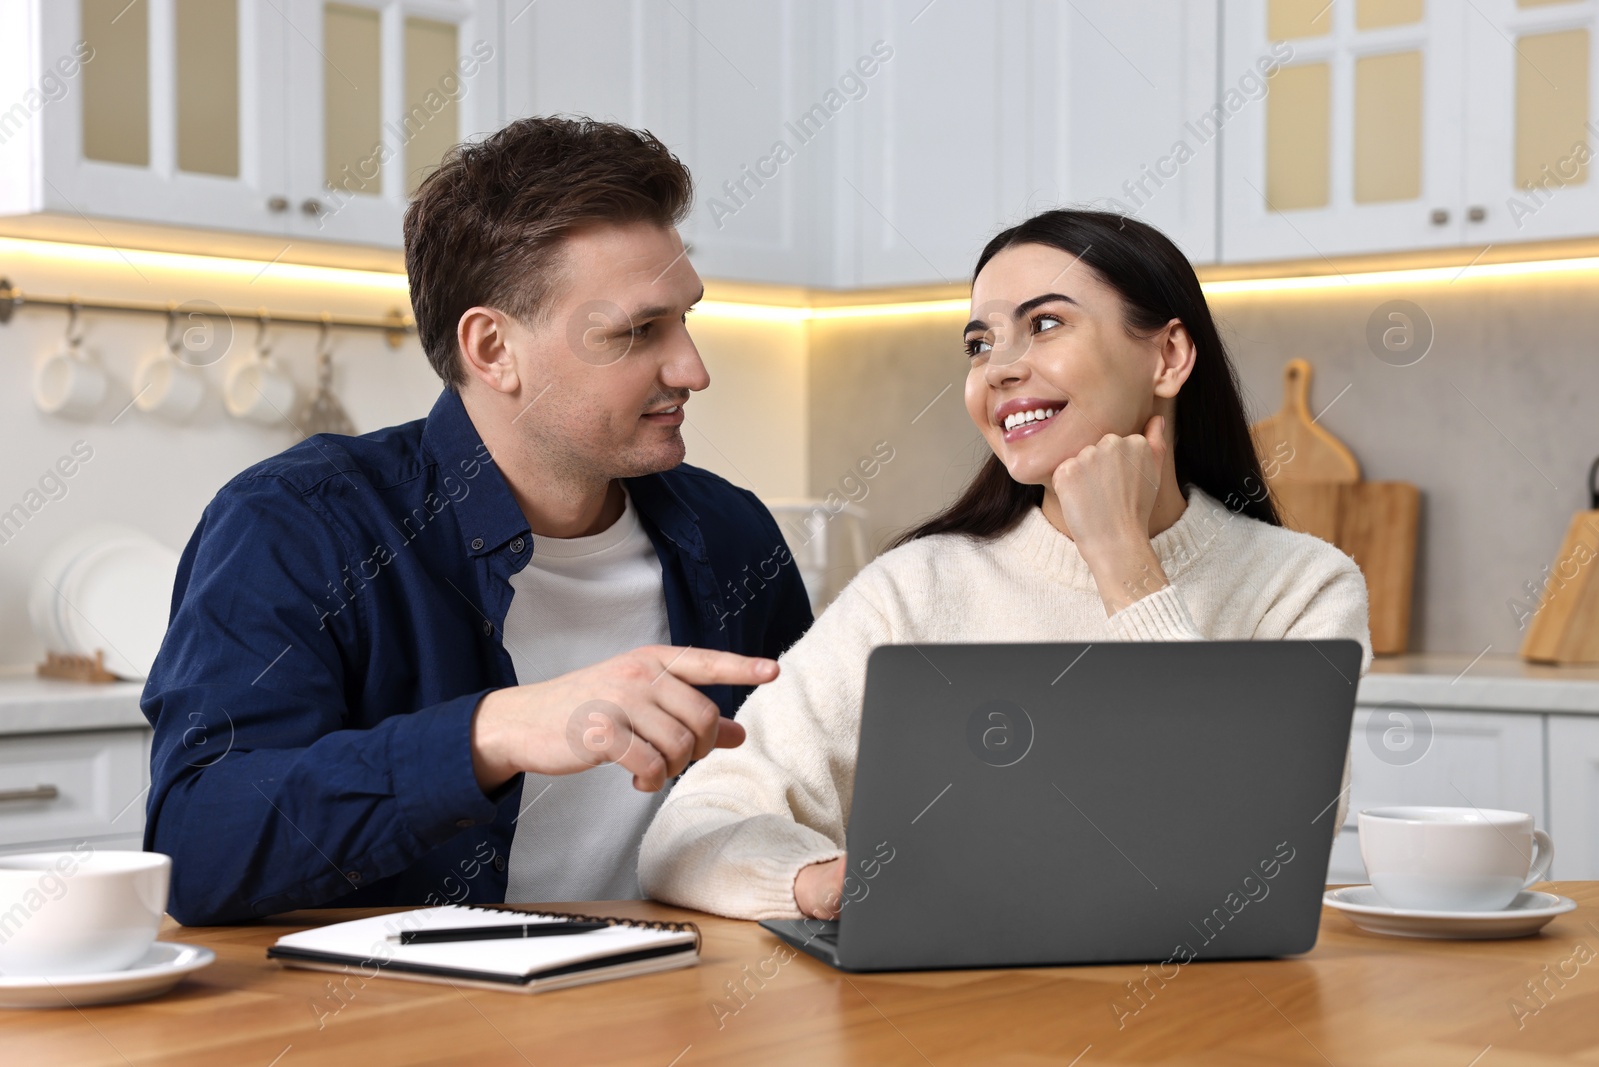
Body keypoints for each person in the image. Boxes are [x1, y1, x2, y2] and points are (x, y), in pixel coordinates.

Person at [140, 117, 812, 925]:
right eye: (636, 332)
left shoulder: (733, 533)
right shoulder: (297, 526)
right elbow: (198, 847)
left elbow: (807, 793)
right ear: (493, 348)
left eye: (685, 319)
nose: (691, 369)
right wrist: (491, 732)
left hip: (681, 1014)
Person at [639, 208, 1371, 921]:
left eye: (1045, 324)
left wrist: (1124, 562)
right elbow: (688, 832)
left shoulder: (1302, 586)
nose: (999, 369)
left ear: (1168, 356)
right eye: (980, 343)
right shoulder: (916, 590)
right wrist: (819, 882)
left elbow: (1255, 851)